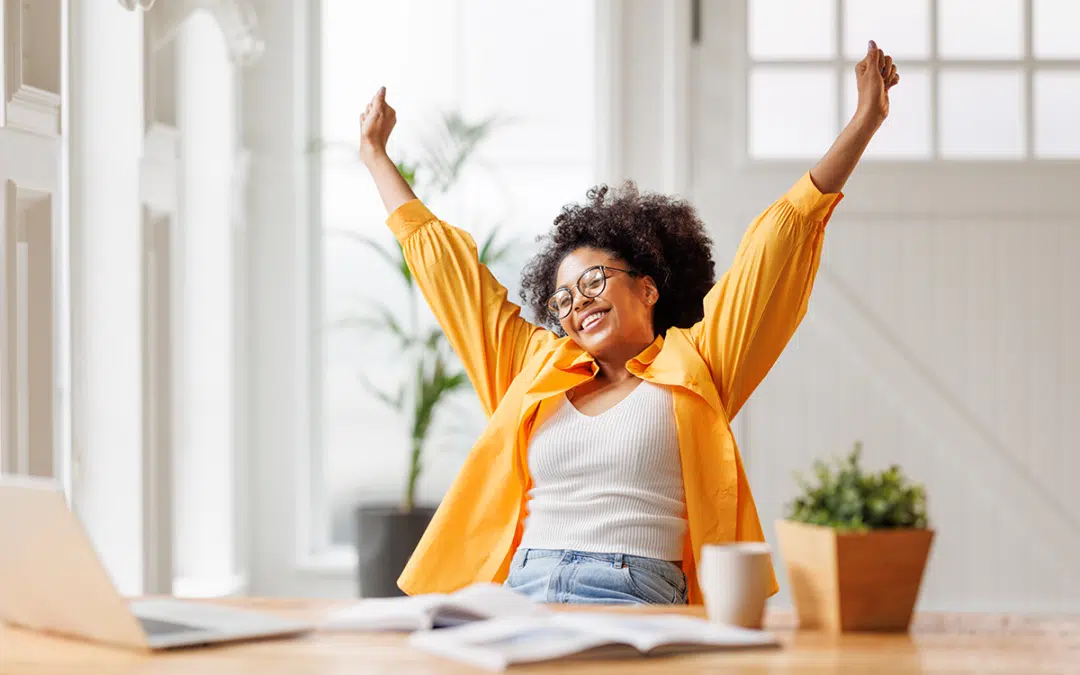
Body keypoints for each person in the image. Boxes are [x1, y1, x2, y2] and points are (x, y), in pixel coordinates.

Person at [358, 41, 900, 605]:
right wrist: (376, 157)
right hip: (522, 587)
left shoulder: (700, 363)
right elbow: (453, 280)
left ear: (648, 287)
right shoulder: (535, 368)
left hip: (632, 589)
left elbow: (776, 247)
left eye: (594, 281)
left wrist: (863, 122)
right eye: (563, 298)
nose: (578, 303)